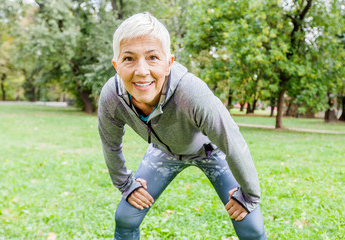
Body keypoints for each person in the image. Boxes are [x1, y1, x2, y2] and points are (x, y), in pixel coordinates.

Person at [98, 12, 266, 240]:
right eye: (129, 59)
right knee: (125, 217)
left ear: (169, 63)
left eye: (152, 57)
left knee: (250, 225)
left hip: (209, 150)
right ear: (116, 65)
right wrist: (126, 184)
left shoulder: (191, 92)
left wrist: (250, 196)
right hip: (163, 152)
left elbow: (232, 142)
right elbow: (111, 145)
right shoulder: (112, 96)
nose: (141, 71)